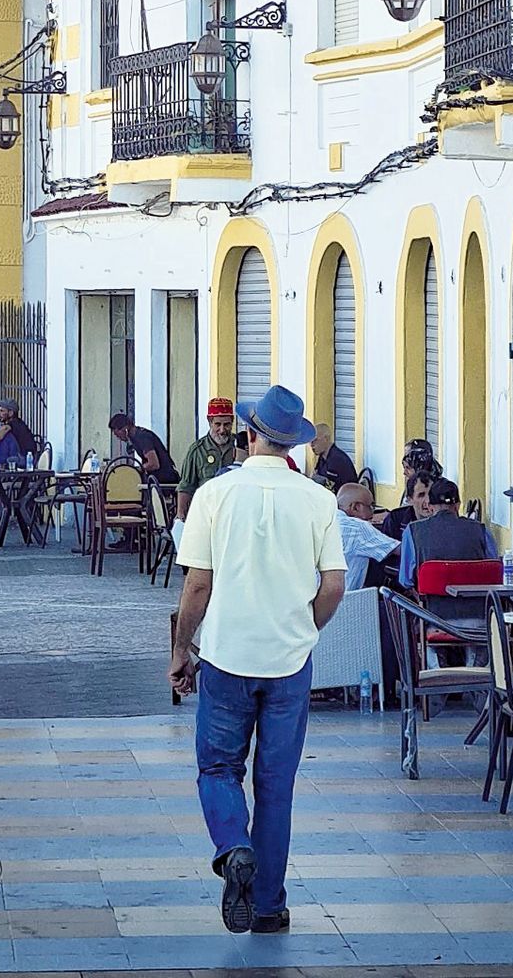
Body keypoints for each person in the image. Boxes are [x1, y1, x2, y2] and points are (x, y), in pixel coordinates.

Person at [172, 384, 345, 937]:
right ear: (293, 443)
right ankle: (268, 905)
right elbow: (335, 585)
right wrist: (305, 627)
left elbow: (198, 585)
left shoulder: (215, 496)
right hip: (289, 663)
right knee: (276, 783)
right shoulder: (318, 499)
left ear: (248, 434)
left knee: (218, 767)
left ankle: (233, 847)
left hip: (226, 656)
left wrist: (181, 648)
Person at [398, 478, 498, 610]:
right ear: (457, 505)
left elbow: (405, 581)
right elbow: (495, 570)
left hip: (432, 618)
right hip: (480, 616)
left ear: (430, 506)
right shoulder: (481, 531)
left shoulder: (412, 532)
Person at [177, 397, 237, 520]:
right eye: (217, 424)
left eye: (226, 425)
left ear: (232, 422)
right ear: (210, 422)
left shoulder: (240, 446)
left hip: (233, 514)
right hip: (205, 514)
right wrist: (180, 516)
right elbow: (186, 487)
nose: (222, 430)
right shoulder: (197, 450)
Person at [335, 484, 400, 590]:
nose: (373, 512)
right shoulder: (358, 528)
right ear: (355, 507)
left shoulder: (323, 519)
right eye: (370, 506)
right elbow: (400, 549)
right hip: (344, 601)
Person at [381, 441, 443, 536]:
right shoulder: (398, 519)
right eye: (421, 495)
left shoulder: (441, 489)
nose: (404, 472)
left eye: (408, 468)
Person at [109, 411, 179, 483]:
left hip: (166, 480)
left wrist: (136, 469)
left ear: (125, 429)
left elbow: (154, 464)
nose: (118, 438)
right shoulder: (135, 438)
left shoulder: (142, 437)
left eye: (118, 435)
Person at [381, 471, 434, 541]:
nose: (428, 500)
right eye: (421, 495)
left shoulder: (445, 520)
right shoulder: (395, 520)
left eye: (431, 494)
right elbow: (386, 548)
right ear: (409, 500)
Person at [310, 423, 357, 492]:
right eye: (310, 441)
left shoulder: (337, 459)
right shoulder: (322, 457)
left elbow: (330, 488)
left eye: (315, 440)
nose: (311, 445)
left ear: (326, 438)